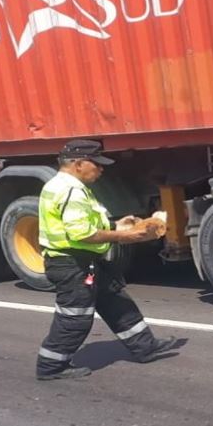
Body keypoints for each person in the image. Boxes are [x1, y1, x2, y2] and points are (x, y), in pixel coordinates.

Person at [35, 139, 183, 381]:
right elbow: (82, 234)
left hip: (82, 261)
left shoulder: (61, 185)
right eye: (97, 164)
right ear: (78, 164)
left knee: (115, 301)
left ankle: (145, 347)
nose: (101, 169)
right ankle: (51, 367)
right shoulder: (71, 190)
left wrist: (117, 225)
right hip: (72, 265)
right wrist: (126, 236)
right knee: (75, 318)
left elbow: (82, 224)